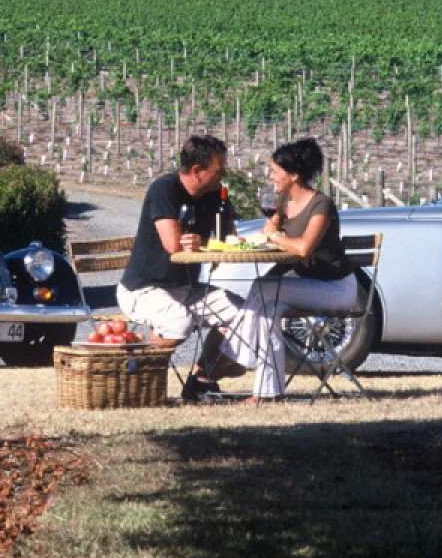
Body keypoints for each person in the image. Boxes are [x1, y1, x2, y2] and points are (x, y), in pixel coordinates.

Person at [117, 134, 252, 401]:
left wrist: (211, 240)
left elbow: (230, 239)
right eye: (219, 169)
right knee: (178, 323)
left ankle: (201, 380)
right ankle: (132, 374)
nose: (225, 174)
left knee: (245, 313)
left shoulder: (215, 194)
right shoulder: (164, 189)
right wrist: (201, 243)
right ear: (197, 171)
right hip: (143, 289)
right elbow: (173, 245)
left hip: (185, 288)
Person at [236, 137, 357, 402]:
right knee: (267, 312)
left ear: (294, 175)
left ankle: (237, 352)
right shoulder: (282, 202)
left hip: (337, 289)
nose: (270, 177)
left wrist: (277, 237)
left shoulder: (321, 205)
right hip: (311, 285)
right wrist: (277, 238)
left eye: (275, 171)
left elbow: (302, 248)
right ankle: (266, 393)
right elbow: (268, 233)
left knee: (262, 287)